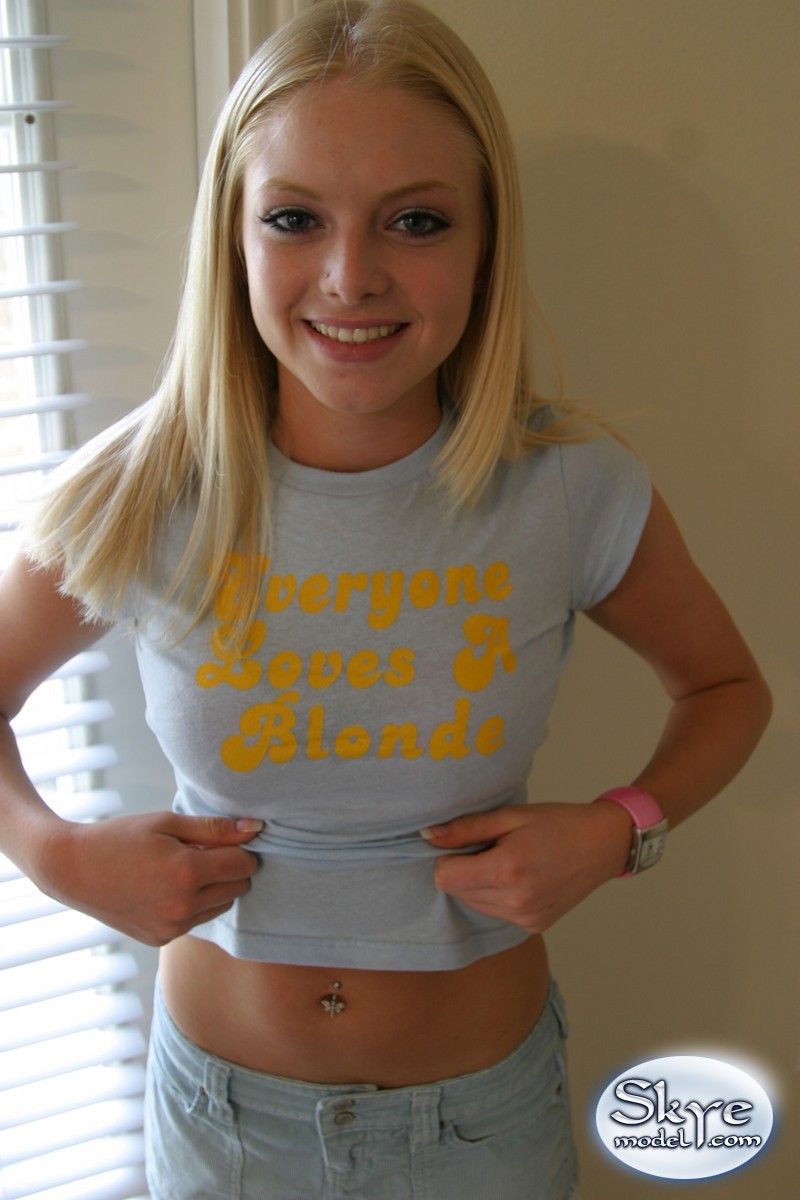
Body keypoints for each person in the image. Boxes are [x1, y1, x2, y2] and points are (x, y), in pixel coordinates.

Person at [0, 1, 771, 1197]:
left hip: (482, 1125)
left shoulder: (566, 488)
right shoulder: (143, 489)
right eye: (294, 219)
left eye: (416, 221)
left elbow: (726, 689)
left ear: (485, 241)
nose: (350, 277)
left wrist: (618, 828)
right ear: (233, 237)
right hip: (218, 1121)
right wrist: (51, 853)